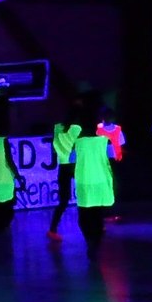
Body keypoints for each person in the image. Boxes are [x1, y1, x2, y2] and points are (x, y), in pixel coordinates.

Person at [74, 112, 117, 260]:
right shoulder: (104, 140)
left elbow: (70, 158)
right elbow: (113, 156)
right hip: (100, 179)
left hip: (84, 180)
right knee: (97, 215)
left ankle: (90, 242)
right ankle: (95, 244)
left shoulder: (77, 141)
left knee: (84, 216)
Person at [47, 107, 82, 242]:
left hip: (63, 166)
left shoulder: (57, 127)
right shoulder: (77, 128)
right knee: (86, 194)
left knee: (64, 199)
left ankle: (52, 229)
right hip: (75, 165)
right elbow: (77, 147)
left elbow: (55, 145)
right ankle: (92, 223)